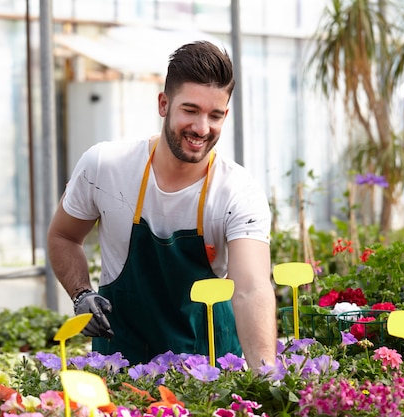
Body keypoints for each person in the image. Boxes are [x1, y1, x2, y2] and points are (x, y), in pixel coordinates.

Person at [47, 40, 277, 368]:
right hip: (121, 362)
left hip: (208, 370)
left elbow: (252, 289)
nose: (202, 128)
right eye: (190, 110)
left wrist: (266, 377)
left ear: (226, 114)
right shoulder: (105, 166)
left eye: (215, 115)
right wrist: (81, 294)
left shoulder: (237, 191)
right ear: (163, 103)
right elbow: (64, 237)